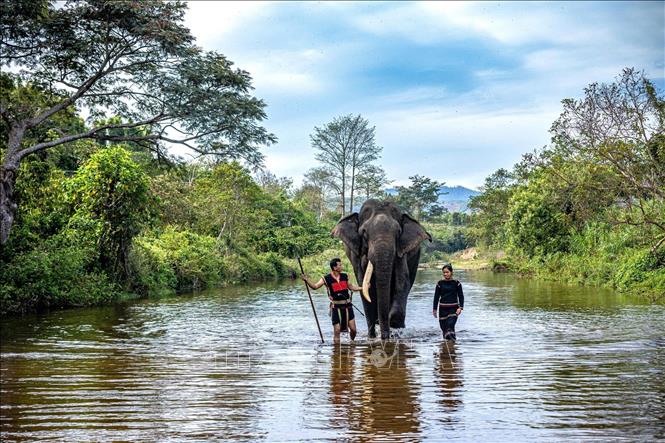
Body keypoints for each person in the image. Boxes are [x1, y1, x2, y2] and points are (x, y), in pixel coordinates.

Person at [302, 258, 363, 342]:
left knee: (353, 330)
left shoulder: (345, 276)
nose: (341, 266)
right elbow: (315, 287)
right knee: (337, 331)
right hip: (336, 307)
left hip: (347, 307)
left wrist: (362, 288)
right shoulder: (326, 278)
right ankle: (336, 353)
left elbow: (351, 287)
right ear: (334, 268)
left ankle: (352, 343)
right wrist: (307, 280)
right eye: (340, 265)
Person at [432, 264, 464, 341]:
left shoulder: (457, 283)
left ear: (451, 272)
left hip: (453, 309)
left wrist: (460, 308)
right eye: (444, 272)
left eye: (447, 272)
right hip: (442, 310)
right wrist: (434, 309)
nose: (445, 274)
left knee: (450, 326)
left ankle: (452, 347)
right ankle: (448, 348)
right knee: (444, 330)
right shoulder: (439, 283)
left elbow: (461, 296)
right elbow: (436, 297)